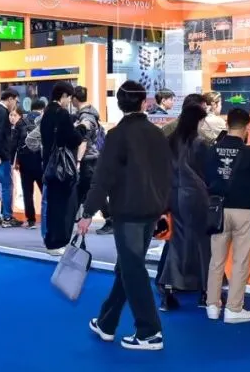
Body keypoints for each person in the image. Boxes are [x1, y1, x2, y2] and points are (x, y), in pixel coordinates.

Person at [79, 81, 172, 351]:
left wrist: (88, 211)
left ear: (120, 105)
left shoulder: (117, 135)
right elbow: (168, 173)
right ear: (144, 103)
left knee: (132, 269)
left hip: (128, 212)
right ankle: (107, 322)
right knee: (128, 267)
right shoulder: (157, 134)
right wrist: (164, 207)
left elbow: (103, 177)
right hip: (151, 211)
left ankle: (149, 332)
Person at [205, 108, 250, 324]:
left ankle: (212, 305)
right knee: (241, 261)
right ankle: (234, 308)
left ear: (227, 124)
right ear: (247, 127)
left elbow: (206, 178)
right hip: (243, 210)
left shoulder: (212, 150)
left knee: (216, 260)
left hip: (218, 211)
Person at [157, 104, 211, 312]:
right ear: (197, 121)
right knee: (203, 244)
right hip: (196, 197)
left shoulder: (170, 141)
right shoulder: (200, 144)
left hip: (174, 196)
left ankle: (168, 291)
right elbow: (207, 173)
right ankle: (206, 292)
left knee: (177, 243)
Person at [41, 81, 84, 254]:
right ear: (64, 96)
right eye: (69, 98)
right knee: (63, 207)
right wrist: (81, 128)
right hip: (63, 169)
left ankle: (51, 241)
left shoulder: (46, 112)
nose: (69, 102)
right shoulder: (62, 113)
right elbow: (73, 139)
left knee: (52, 205)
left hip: (49, 166)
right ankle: (58, 242)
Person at [73, 86, 109, 233]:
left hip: (89, 159)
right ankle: (73, 217)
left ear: (74, 99)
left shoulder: (86, 116)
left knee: (90, 190)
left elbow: (84, 141)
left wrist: (78, 160)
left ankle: (110, 218)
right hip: (93, 158)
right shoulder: (89, 113)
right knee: (86, 189)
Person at [0, 90, 21, 228]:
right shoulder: (2, 112)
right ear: (10, 99)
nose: (16, 104)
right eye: (16, 101)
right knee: (6, 186)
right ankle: (7, 217)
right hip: (0, 157)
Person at [16, 101, 44, 230]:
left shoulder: (21, 122)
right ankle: (48, 218)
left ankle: (31, 221)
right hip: (40, 161)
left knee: (27, 192)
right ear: (42, 109)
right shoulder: (44, 122)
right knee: (45, 192)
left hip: (25, 162)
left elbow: (15, 143)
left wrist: (15, 161)